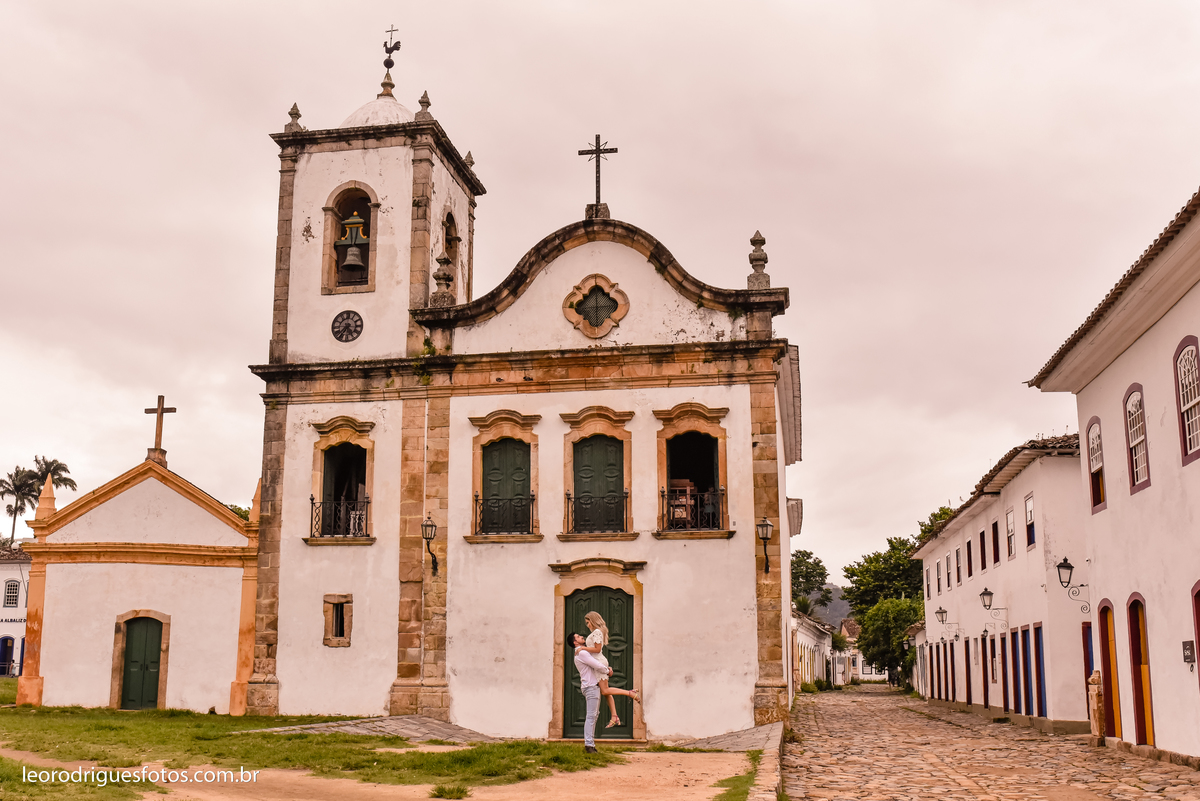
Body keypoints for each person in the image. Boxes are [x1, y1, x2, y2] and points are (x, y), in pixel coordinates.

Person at [578, 611, 641, 727]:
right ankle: (614, 716)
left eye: (588, 623)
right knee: (606, 691)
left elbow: (597, 649)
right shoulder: (597, 632)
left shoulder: (596, 632)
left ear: (592, 621)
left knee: (605, 690)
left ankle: (630, 693)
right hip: (598, 662)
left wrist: (583, 648)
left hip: (598, 661)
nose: (587, 626)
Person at [571, 632, 611, 752]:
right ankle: (589, 745)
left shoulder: (582, 651)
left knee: (593, 715)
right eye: (578, 637)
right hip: (591, 687)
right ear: (575, 642)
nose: (582, 637)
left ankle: (590, 744)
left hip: (590, 687)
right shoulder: (582, 652)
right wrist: (608, 671)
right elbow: (596, 664)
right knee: (591, 716)